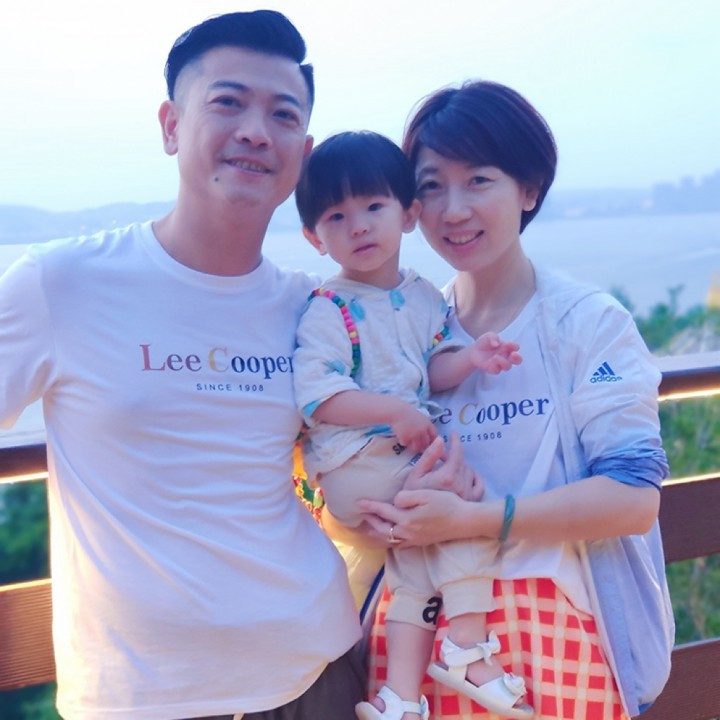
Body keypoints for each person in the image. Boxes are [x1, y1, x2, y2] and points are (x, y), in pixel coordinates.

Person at [0, 11, 365, 720]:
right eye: (228, 102)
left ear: (303, 151)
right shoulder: (61, 283)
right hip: (140, 695)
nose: (256, 130)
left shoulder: (312, 308)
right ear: (171, 125)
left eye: (283, 114)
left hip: (313, 670)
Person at [349, 81, 673, 720]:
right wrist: (381, 514)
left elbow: (633, 499)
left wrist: (473, 520)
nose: (453, 210)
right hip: (417, 637)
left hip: (556, 630)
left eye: (479, 181)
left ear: (528, 189)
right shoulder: (410, 327)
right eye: (432, 185)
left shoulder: (585, 323)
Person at [292, 131, 528, 720]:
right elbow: (318, 398)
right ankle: (467, 647)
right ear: (314, 237)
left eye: (374, 206)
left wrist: (471, 359)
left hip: (393, 462)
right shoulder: (329, 308)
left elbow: (434, 368)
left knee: (416, 565)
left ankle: (399, 696)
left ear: (408, 214)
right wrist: (393, 411)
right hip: (356, 465)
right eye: (337, 216)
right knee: (464, 507)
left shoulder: (422, 296)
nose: (359, 226)